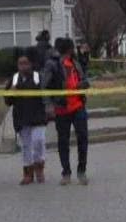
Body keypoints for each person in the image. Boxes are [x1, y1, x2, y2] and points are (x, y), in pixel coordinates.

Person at [45, 37, 91, 185]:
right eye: (72, 48)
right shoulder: (52, 65)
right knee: (63, 141)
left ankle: (81, 171)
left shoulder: (75, 63)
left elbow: (85, 80)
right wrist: (49, 105)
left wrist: (83, 85)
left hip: (78, 106)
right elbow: (44, 87)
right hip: (62, 108)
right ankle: (66, 172)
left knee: (83, 138)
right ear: (68, 49)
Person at [5, 51, 48, 185]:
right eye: (20, 64)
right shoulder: (14, 79)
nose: (23, 66)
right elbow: (7, 101)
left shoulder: (38, 77)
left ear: (31, 64)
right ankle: (28, 173)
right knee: (26, 146)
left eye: (26, 63)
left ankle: (39, 166)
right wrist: (11, 93)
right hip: (22, 117)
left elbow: (47, 95)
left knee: (38, 141)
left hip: (38, 116)